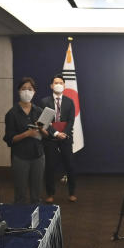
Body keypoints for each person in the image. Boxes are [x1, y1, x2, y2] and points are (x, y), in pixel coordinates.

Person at [3, 77, 49, 204]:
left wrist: (41, 129)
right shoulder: (12, 113)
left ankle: (37, 220)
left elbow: (46, 135)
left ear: (34, 92)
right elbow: (9, 139)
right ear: (18, 91)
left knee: (37, 193)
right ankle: (20, 220)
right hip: (20, 156)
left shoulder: (39, 111)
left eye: (30, 89)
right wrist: (27, 134)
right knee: (20, 193)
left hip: (38, 155)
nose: (27, 92)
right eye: (24, 89)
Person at [40, 75, 77, 203]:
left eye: (61, 82)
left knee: (70, 165)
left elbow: (71, 121)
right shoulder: (44, 102)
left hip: (66, 137)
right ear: (51, 85)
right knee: (50, 166)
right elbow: (44, 122)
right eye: (56, 82)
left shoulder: (69, 101)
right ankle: (50, 194)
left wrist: (64, 133)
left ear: (64, 85)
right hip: (50, 138)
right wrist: (55, 133)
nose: (58, 84)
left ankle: (72, 192)